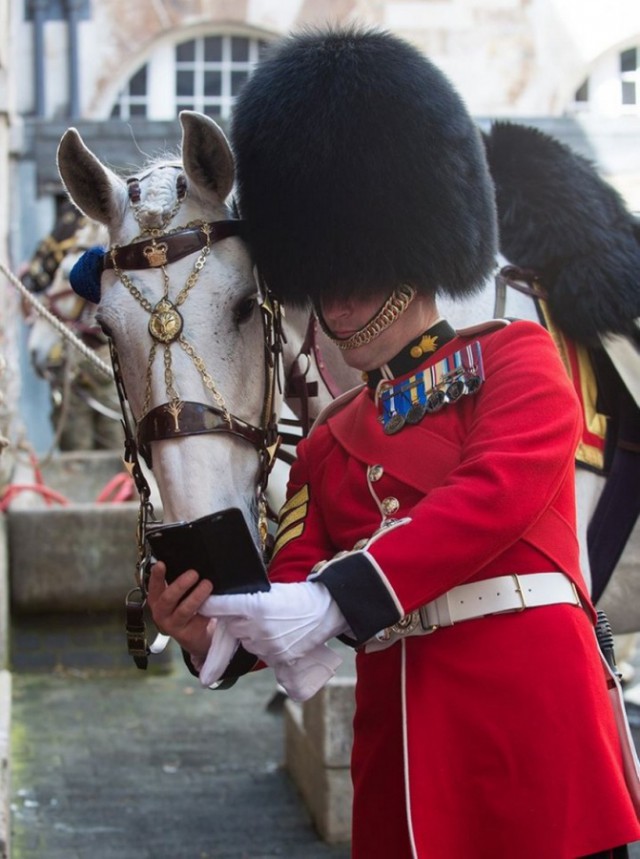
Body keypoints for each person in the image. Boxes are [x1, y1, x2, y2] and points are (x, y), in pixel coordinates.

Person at [147, 26, 640, 858]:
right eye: (320, 272)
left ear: (413, 250)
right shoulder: (327, 446)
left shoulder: (513, 356)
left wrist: (339, 598)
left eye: (356, 268)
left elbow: (493, 497)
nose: (337, 300)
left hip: (537, 739)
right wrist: (212, 629)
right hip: (404, 769)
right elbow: (290, 589)